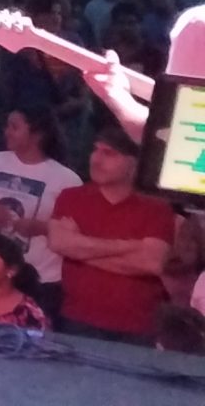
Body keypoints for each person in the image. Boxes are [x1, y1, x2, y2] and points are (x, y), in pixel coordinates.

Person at [47, 124, 175, 345]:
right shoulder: (71, 197)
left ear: (133, 164)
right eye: (95, 150)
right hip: (77, 319)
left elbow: (152, 263)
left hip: (137, 327)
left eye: (108, 153)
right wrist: (130, 247)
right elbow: (59, 243)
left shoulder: (157, 208)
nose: (96, 159)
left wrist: (81, 248)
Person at [0, 107, 81, 312]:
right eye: (7, 126)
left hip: (41, 277)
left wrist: (41, 227)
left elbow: (75, 231)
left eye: (14, 127)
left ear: (37, 134)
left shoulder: (66, 179)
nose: (7, 132)